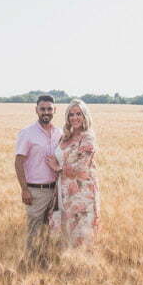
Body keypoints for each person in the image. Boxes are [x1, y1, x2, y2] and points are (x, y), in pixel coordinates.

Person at [15, 95, 63, 266]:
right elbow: (18, 162)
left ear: (55, 110)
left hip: (56, 190)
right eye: (42, 109)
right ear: (36, 110)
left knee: (52, 230)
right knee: (34, 231)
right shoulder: (27, 133)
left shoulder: (60, 133)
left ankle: (46, 264)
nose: (46, 112)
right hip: (36, 191)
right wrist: (24, 189)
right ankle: (30, 265)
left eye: (49, 109)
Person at [45, 99, 100, 248]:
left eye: (78, 114)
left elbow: (82, 168)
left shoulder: (87, 137)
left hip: (81, 194)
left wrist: (58, 168)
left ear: (85, 115)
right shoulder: (65, 137)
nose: (74, 117)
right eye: (71, 114)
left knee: (80, 235)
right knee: (63, 233)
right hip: (63, 191)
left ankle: (80, 262)